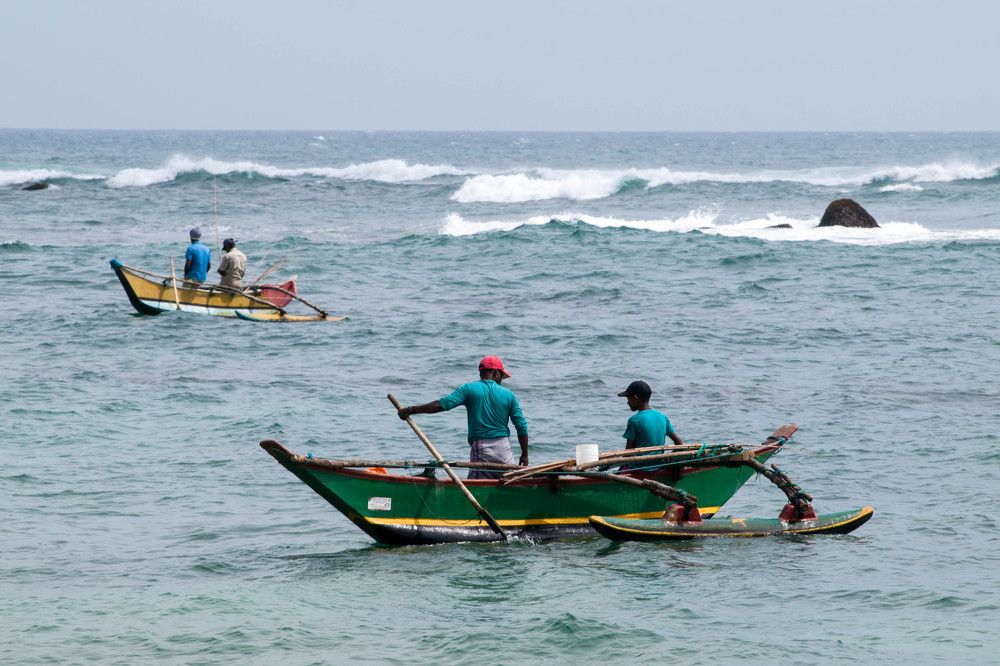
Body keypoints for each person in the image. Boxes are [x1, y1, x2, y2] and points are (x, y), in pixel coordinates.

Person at [397, 356, 529, 479]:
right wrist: (524, 454)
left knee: (477, 485)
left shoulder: (468, 389)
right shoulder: (509, 395)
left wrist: (411, 410)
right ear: (496, 373)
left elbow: (442, 404)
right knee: (508, 480)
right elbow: (521, 426)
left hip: (482, 448)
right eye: (501, 376)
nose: (501, 381)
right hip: (504, 448)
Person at [618, 380, 683, 450]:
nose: (627, 402)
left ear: (635, 398)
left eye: (628, 398)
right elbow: (679, 443)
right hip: (659, 460)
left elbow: (628, 453)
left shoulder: (634, 420)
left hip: (639, 461)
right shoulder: (662, 417)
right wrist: (670, 459)